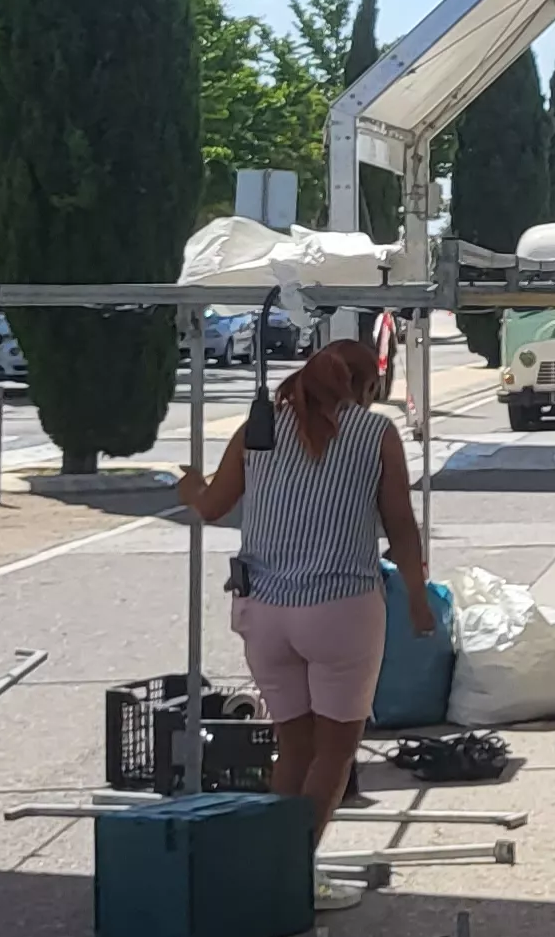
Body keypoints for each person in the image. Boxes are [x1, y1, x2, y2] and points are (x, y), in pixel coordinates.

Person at [179, 341, 431, 901]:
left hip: (263, 611)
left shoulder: (258, 429)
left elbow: (211, 506)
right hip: (341, 609)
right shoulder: (375, 433)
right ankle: (293, 871)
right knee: (336, 752)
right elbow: (401, 526)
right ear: (365, 386)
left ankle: (269, 870)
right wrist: (416, 596)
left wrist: (188, 485)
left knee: (293, 747)